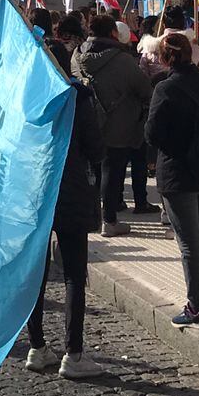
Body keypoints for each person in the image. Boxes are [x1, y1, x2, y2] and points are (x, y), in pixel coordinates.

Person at [24, 19, 104, 378]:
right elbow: (96, 148)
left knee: (34, 275)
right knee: (73, 273)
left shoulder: (25, 100)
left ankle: (37, 347)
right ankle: (73, 353)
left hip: (33, 193)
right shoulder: (77, 97)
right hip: (70, 189)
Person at [145, 33, 199, 329]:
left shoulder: (165, 88)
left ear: (165, 59)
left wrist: (172, 148)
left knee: (189, 242)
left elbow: (152, 132)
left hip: (179, 172)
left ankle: (196, 308)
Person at [74, 13, 154, 236]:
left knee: (93, 172)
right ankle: (109, 220)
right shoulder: (123, 59)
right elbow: (144, 89)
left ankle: (93, 216)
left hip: (86, 122)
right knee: (112, 171)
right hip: (118, 124)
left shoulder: (76, 56)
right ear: (112, 33)